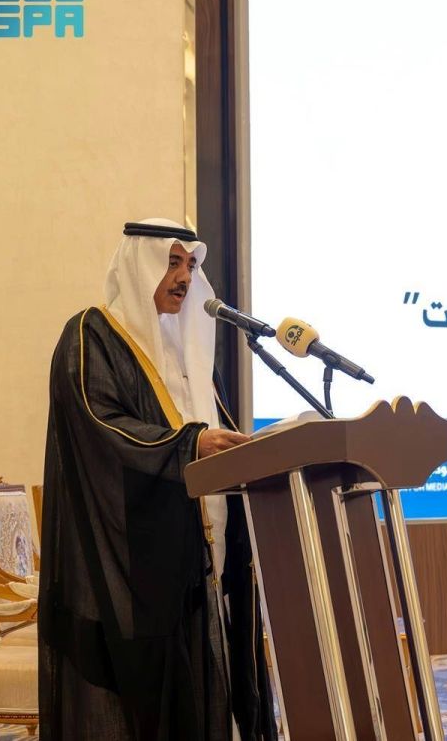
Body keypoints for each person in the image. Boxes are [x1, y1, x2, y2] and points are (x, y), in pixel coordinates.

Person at [39, 219, 276, 740]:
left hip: (199, 557)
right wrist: (188, 444)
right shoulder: (90, 335)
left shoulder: (189, 350)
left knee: (204, 693)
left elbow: (216, 430)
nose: (184, 277)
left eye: (190, 264)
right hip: (130, 563)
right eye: (171, 262)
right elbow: (100, 425)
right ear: (139, 265)